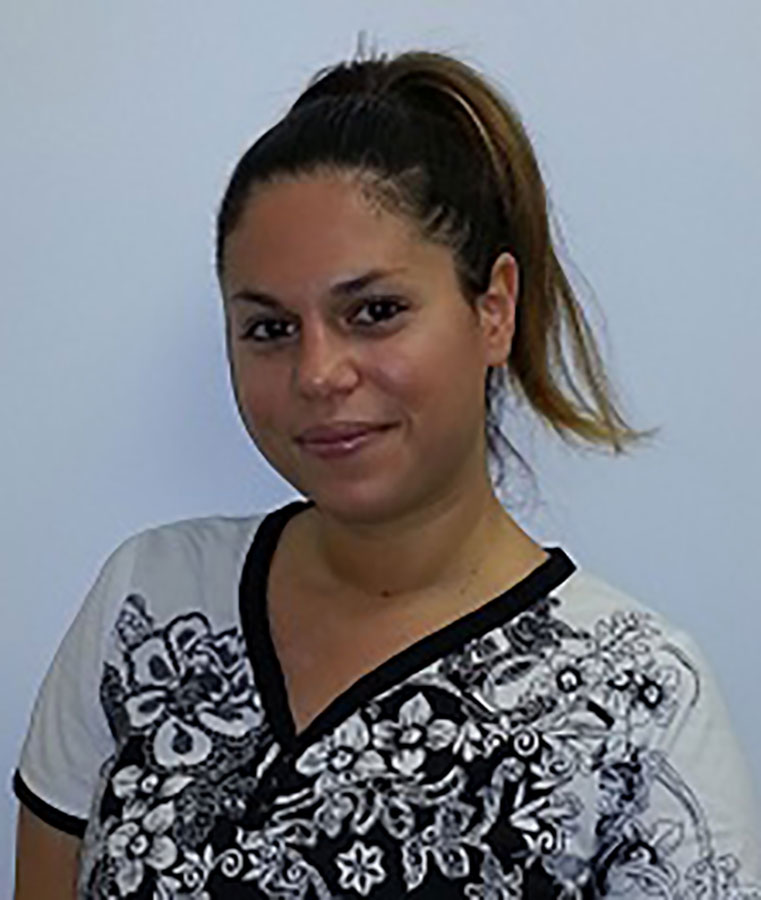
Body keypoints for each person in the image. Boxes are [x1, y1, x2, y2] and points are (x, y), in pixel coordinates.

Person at [13, 42, 760, 899]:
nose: (317, 373)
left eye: (374, 312)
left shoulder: (638, 703)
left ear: (493, 310)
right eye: (268, 327)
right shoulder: (146, 607)